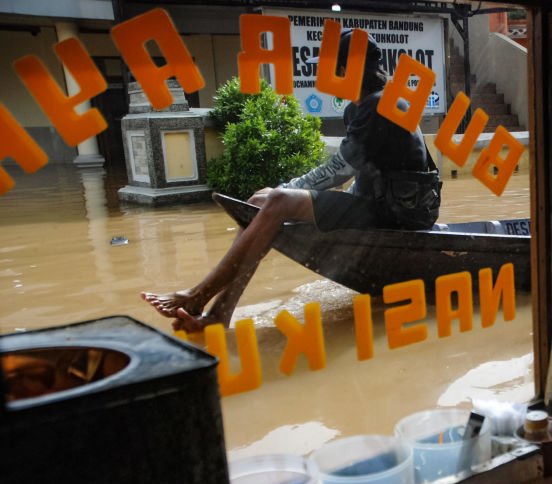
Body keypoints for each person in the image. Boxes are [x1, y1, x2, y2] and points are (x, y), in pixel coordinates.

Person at [142, 29, 441, 332]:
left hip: (404, 213)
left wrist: (285, 191)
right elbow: (367, 170)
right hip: (379, 202)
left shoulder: (381, 104)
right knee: (259, 204)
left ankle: (197, 295)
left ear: (344, 71)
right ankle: (220, 311)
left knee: (278, 200)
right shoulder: (360, 107)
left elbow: (342, 168)